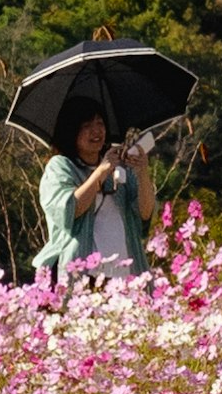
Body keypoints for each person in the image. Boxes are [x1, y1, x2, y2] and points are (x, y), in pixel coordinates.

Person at [38, 96, 158, 286]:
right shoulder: (61, 167)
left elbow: (144, 213)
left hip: (125, 277)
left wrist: (142, 172)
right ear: (71, 130)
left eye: (100, 123)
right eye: (86, 125)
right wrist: (101, 171)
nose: (96, 131)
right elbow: (68, 209)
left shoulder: (119, 166)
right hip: (86, 279)